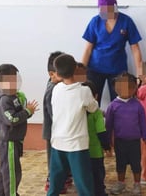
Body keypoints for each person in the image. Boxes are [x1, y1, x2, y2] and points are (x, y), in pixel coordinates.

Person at [48, 53, 98, 196]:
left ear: (57, 73)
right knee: (83, 183)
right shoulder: (84, 91)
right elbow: (93, 108)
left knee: (55, 182)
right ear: (76, 68)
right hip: (77, 145)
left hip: (57, 142)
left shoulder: (55, 89)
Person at [81, 0, 143, 106]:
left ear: (115, 6)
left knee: (121, 103)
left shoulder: (126, 21)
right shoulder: (95, 21)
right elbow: (88, 49)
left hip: (118, 70)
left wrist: (140, 75)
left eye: (110, 9)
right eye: (103, 10)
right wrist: (80, 73)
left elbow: (135, 49)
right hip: (95, 68)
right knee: (91, 102)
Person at [0, 64, 39, 196]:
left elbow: (20, 110)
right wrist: (27, 112)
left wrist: (25, 107)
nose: (14, 84)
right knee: (12, 174)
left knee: (4, 173)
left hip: (15, 141)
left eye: (15, 80)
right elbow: (11, 119)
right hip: (9, 143)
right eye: (10, 81)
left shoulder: (14, 97)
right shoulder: (4, 100)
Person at [105, 72, 146, 196]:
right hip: (120, 142)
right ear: (115, 88)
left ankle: (137, 184)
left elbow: (143, 122)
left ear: (134, 88)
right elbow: (108, 126)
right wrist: (107, 141)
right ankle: (121, 182)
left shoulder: (137, 105)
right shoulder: (112, 106)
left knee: (136, 164)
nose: (126, 90)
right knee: (120, 163)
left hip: (135, 141)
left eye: (129, 87)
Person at [42, 51, 72, 193]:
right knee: (54, 160)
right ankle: (52, 182)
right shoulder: (52, 90)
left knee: (62, 158)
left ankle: (64, 178)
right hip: (53, 132)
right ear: (51, 74)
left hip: (60, 131)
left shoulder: (58, 86)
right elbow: (54, 114)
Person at [82, 80, 111, 196]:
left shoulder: (79, 111)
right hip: (96, 152)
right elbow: (101, 131)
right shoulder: (97, 113)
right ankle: (99, 192)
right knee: (98, 174)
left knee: (84, 174)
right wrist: (107, 146)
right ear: (96, 96)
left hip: (81, 150)